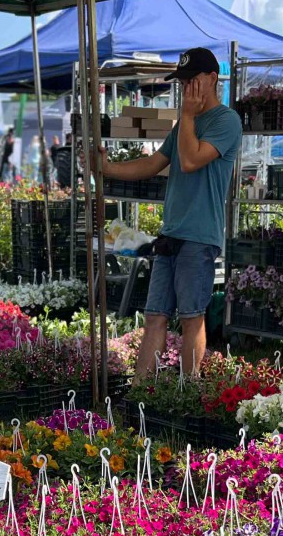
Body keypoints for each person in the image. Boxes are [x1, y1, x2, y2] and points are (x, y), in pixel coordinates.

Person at [98, 47, 241, 378]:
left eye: (191, 80)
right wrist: (107, 169)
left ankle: (188, 389)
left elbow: (191, 161)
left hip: (199, 236)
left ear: (211, 79)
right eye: (181, 81)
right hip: (171, 233)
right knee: (155, 316)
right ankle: (141, 391)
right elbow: (153, 163)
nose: (185, 87)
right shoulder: (184, 125)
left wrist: (188, 116)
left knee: (192, 316)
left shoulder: (226, 120)